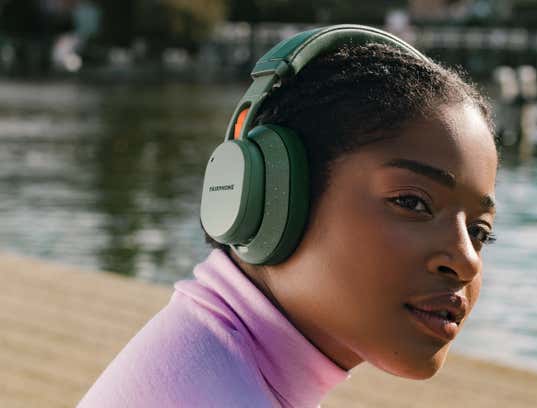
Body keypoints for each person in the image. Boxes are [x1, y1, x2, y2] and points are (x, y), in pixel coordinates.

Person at [78, 25, 498, 407]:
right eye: (412, 202)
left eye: (480, 231)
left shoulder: (204, 355)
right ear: (276, 197)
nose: (466, 260)